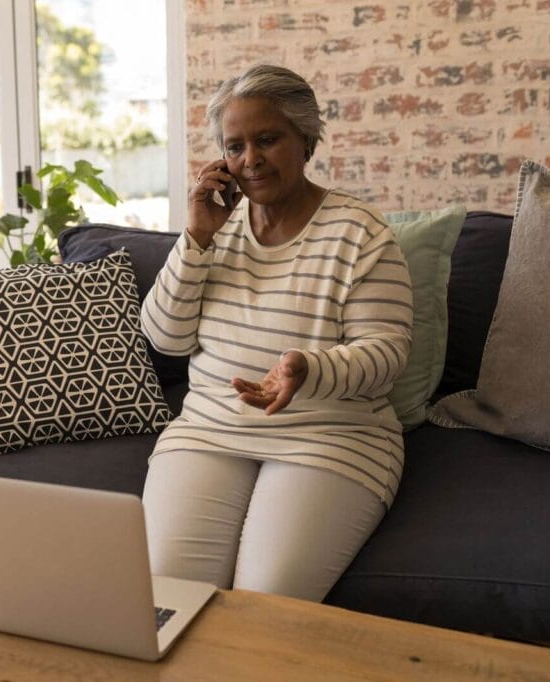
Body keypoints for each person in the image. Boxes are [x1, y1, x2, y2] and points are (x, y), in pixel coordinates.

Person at [140, 64, 413, 601]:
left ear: (306, 141)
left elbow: (388, 352)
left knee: (265, 603)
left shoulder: (360, 232)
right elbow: (166, 339)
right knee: (162, 599)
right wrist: (195, 238)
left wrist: (308, 368)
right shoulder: (214, 228)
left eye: (268, 140)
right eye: (235, 146)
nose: (251, 160)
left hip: (330, 437)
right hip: (209, 431)